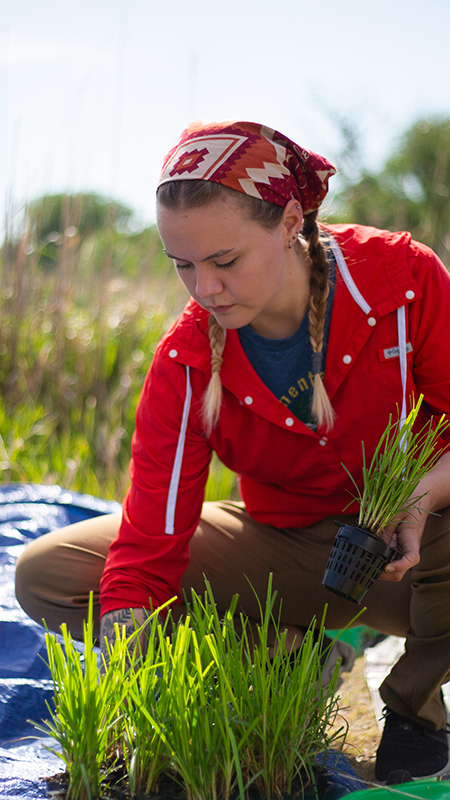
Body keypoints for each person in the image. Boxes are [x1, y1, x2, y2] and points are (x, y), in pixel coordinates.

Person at [15, 120, 450, 784]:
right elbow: (149, 542)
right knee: (50, 572)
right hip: (289, 550)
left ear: (290, 221)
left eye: (223, 262)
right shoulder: (187, 360)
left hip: (412, 556)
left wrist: (420, 498)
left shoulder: (402, 280)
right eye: (182, 265)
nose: (204, 290)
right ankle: (292, 657)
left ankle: (417, 713)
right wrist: (121, 685)